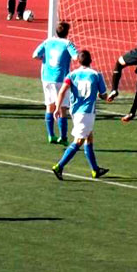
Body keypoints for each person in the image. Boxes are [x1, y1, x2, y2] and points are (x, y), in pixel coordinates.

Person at [51, 50, 109, 181]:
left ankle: (95, 170)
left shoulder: (71, 75)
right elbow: (104, 95)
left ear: (78, 61)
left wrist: (57, 108)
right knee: (78, 141)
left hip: (75, 111)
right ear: (91, 61)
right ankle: (59, 166)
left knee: (89, 137)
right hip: (87, 112)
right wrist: (102, 95)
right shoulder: (96, 75)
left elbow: (61, 92)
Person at [33, 22, 78, 145]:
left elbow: (35, 55)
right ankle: (63, 137)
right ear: (67, 33)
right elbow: (76, 57)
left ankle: (51, 135)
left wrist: (45, 59)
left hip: (46, 78)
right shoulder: (68, 44)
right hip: (60, 79)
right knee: (62, 108)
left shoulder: (48, 42)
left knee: (50, 106)